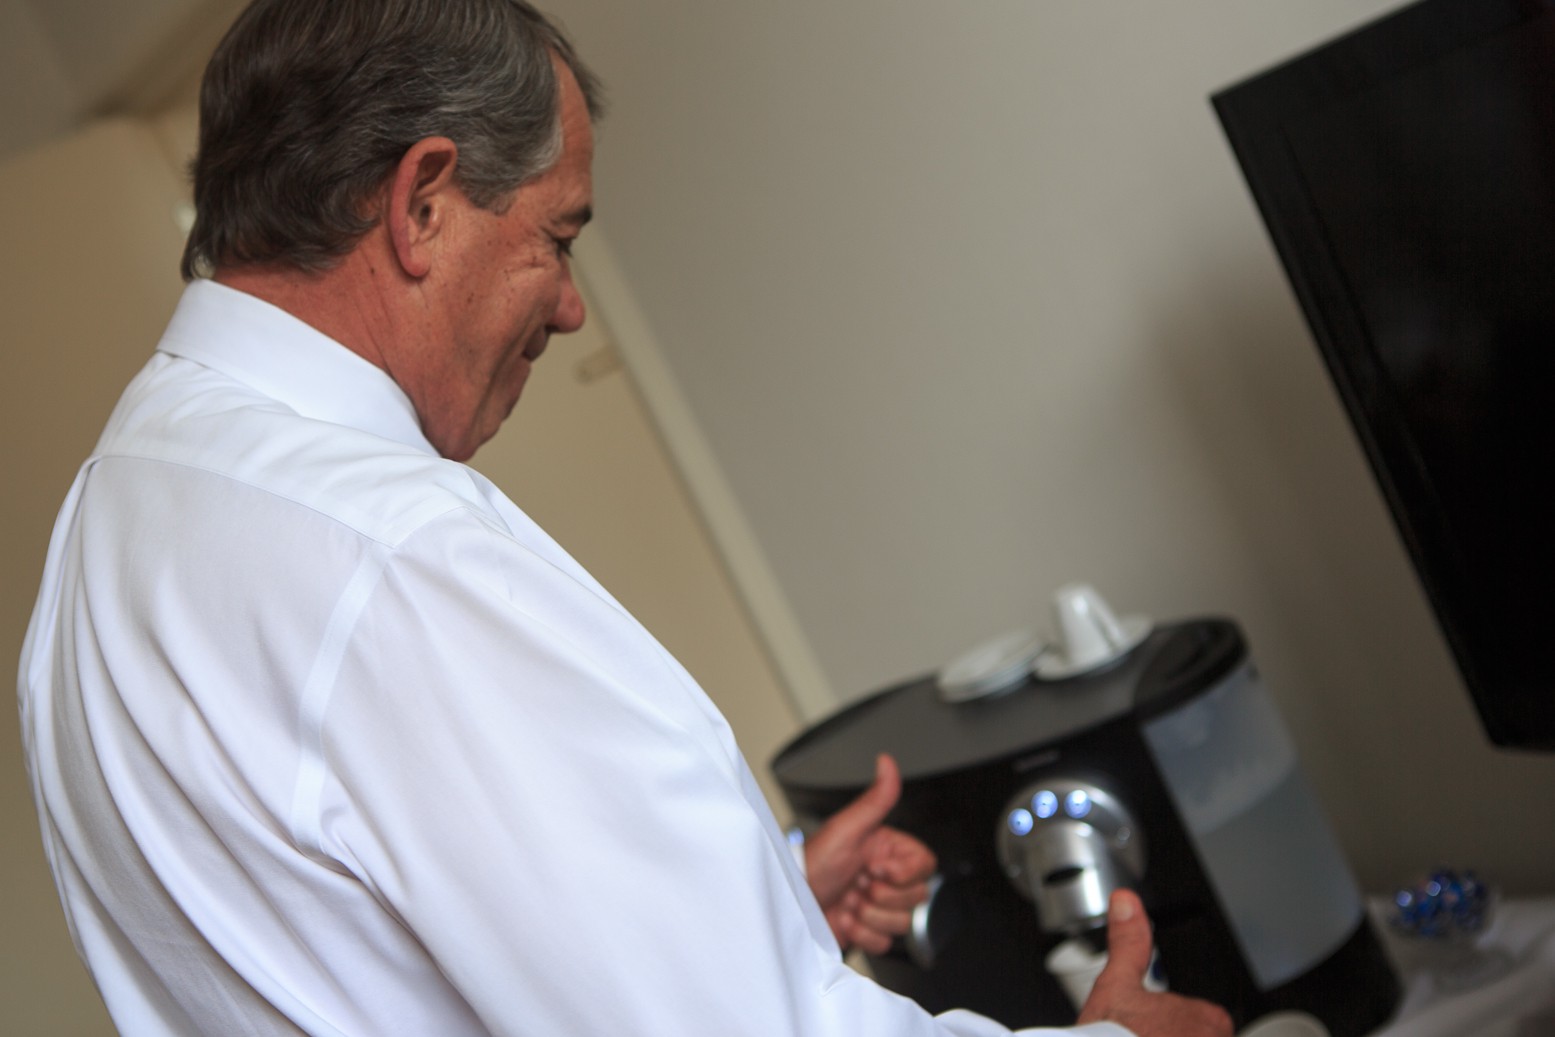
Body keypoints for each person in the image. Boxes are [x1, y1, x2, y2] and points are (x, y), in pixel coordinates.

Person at [17, 1, 1231, 1035]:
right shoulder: (392, 553)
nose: (569, 308)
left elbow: (332, 948)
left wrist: (741, 905)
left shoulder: (106, 527)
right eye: (555, 237)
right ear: (422, 201)